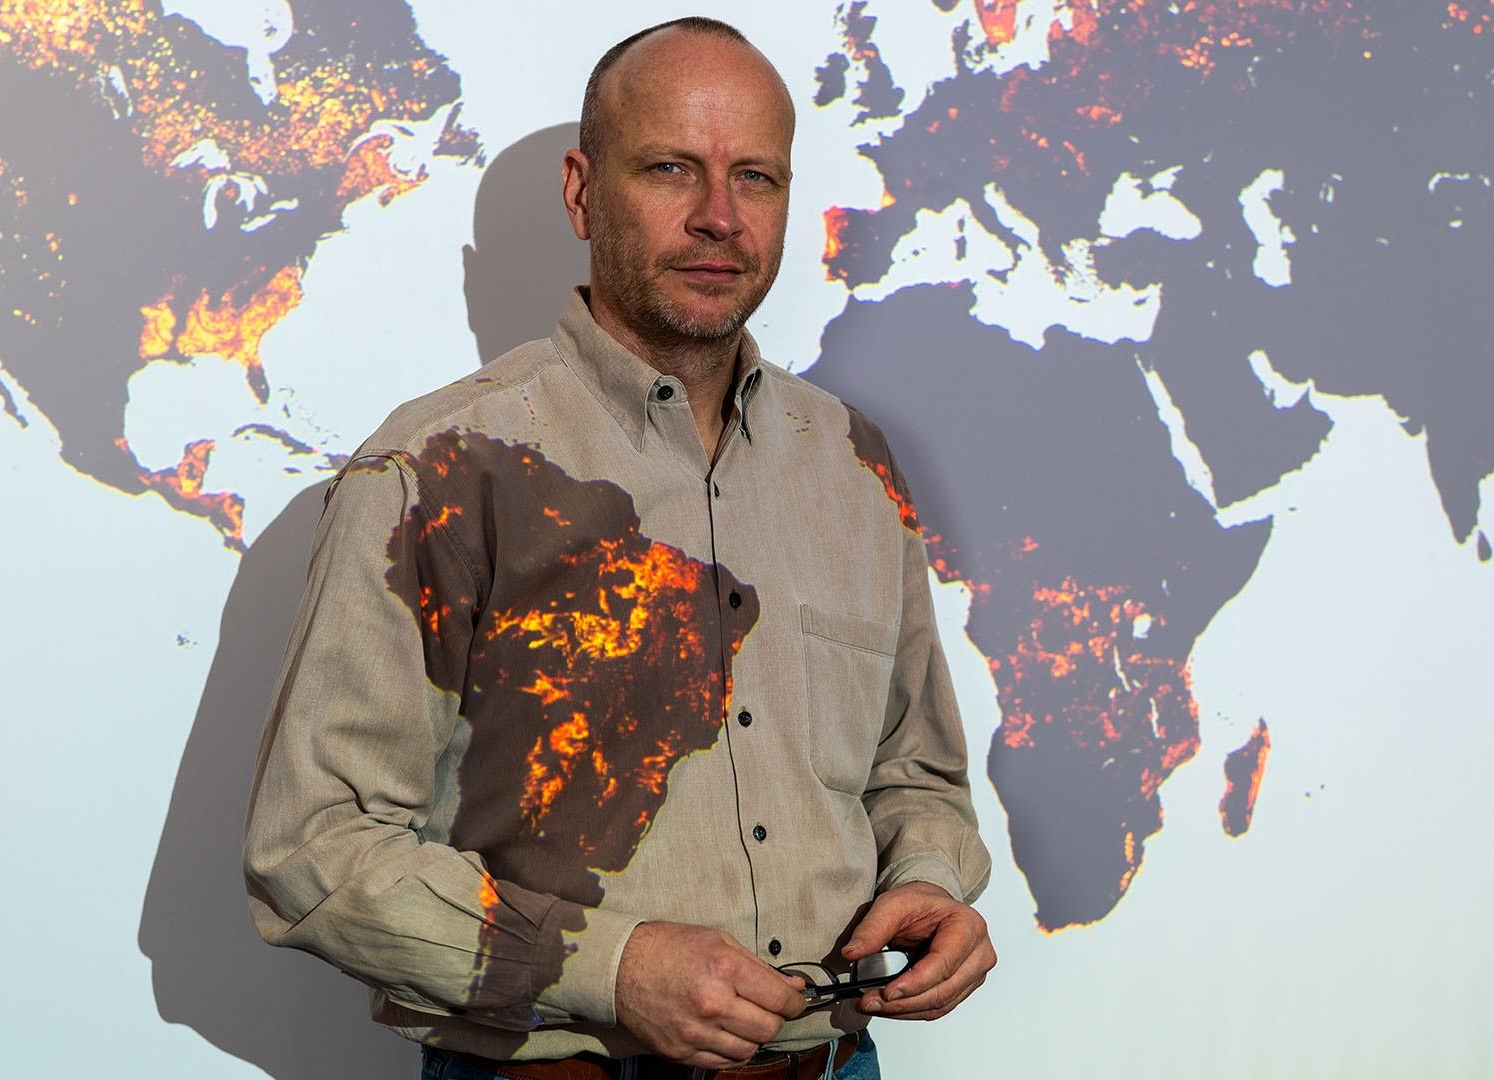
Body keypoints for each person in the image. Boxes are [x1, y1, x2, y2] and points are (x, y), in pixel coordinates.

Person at [243, 17, 994, 1078]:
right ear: (583, 192)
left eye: (757, 179)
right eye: (671, 169)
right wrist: (608, 964)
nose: (719, 218)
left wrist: (929, 877)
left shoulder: (850, 463)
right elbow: (313, 845)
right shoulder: (438, 469)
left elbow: (911, 769)